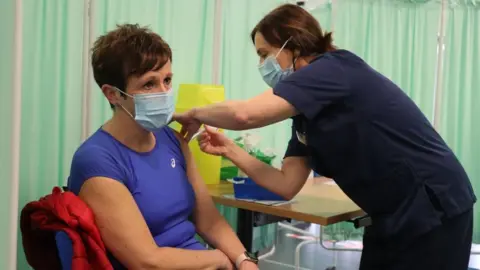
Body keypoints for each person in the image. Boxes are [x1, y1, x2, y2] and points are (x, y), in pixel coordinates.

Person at [173, 4, 476, 270]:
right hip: (390, 213)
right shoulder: (304, 113)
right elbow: (287, 184)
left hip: (433, 205)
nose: (261, 65)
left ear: (292, 43)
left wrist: (195, 112)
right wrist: (229, 149)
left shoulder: (334, 68)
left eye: (265, 54)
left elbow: (245, 115)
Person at [68, 24, 259, 270]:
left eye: (167, 80)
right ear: (112, 94)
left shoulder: (173, 141)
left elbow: (209, 221)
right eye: (149, 84)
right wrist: (220, 260)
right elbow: (147, 262)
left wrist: (244, 260)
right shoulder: (98, 160)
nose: (163, 93)